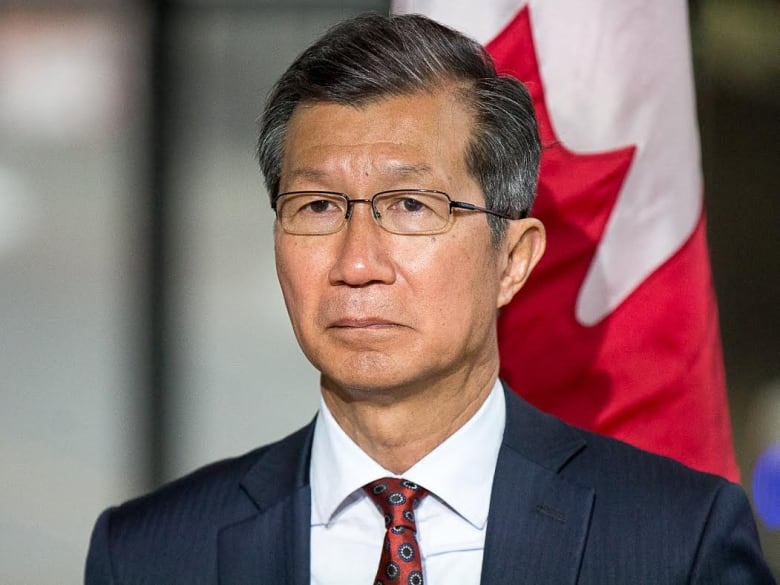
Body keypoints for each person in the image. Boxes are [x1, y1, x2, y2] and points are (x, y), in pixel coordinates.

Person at [85, 13, 774, 584]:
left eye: (411, 205)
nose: (357, 263)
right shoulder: (151, 554)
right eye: (319, 206)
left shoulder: (673, 542)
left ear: (513, 258)